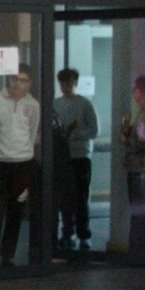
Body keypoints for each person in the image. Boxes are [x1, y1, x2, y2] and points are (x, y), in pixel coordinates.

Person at [0, 63, 40, 267]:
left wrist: (24, 152)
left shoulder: (33, 105)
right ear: (8, 80)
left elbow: (32, 133)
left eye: (22, 80)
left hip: (22, 164)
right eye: (14, 79)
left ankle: (7, 256)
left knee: (16, 212)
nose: (17, 84)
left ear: (28, 83)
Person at [53, 68, 99, 251]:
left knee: (80, 197)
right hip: (62, 156)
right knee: (65, 198)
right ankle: (67, 232)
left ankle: (83, 234)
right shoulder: (55, 104)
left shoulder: (85, 104)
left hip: (80, 155)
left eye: (69, 84)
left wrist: (76, 135)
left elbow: (94, 130)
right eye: (63, 84)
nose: (65, 87)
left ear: (75, 83)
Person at [120, 74, 145, 266]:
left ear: (142, 91)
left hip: (143, 169)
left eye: (136, 89)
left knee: (141, 212)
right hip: (138, 168)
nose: (133, 92)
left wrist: (128, 139)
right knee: (139, 211)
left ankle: (140, 252)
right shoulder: (142, 112)